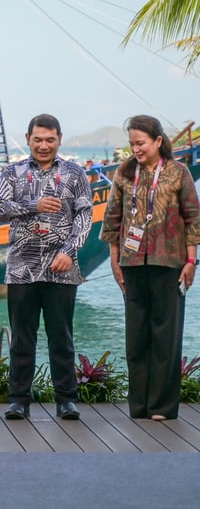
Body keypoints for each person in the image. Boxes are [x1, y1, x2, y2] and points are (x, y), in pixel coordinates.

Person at [100, 115, 200, 420]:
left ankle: (162, 406)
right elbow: (112, 219)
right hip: (131, 263)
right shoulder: (124, 172)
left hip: (169, 262)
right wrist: (115, 259)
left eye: (140, 143)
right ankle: (139, 405)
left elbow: (193, 218)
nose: (135, 149)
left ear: (158, 141)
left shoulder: (177, 172)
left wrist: (192, 261)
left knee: (166, 336)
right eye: (132, 144)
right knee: (137, 337)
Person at [0, 114, 91, 421]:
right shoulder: (13, 172)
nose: (44, 145)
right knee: (22, 337)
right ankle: (19, 400)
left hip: (61, 269)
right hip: (22, 269)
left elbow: (85, 217)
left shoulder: (76, 174)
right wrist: (34, 205)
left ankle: (66, 400)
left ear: (60, 139)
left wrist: (70, 251)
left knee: (61, 337)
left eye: (50, 140)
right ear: (28, 139)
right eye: (38, 140)